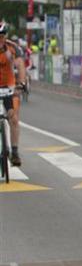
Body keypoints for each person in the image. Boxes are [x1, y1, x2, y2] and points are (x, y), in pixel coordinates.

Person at [0, 23, 27, 166]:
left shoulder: (12, 48)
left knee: (14, 118)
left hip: (9, 87)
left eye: (2, 36)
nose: (0, 39)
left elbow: (20, 66)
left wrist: (21, 83)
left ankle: (15, 152)